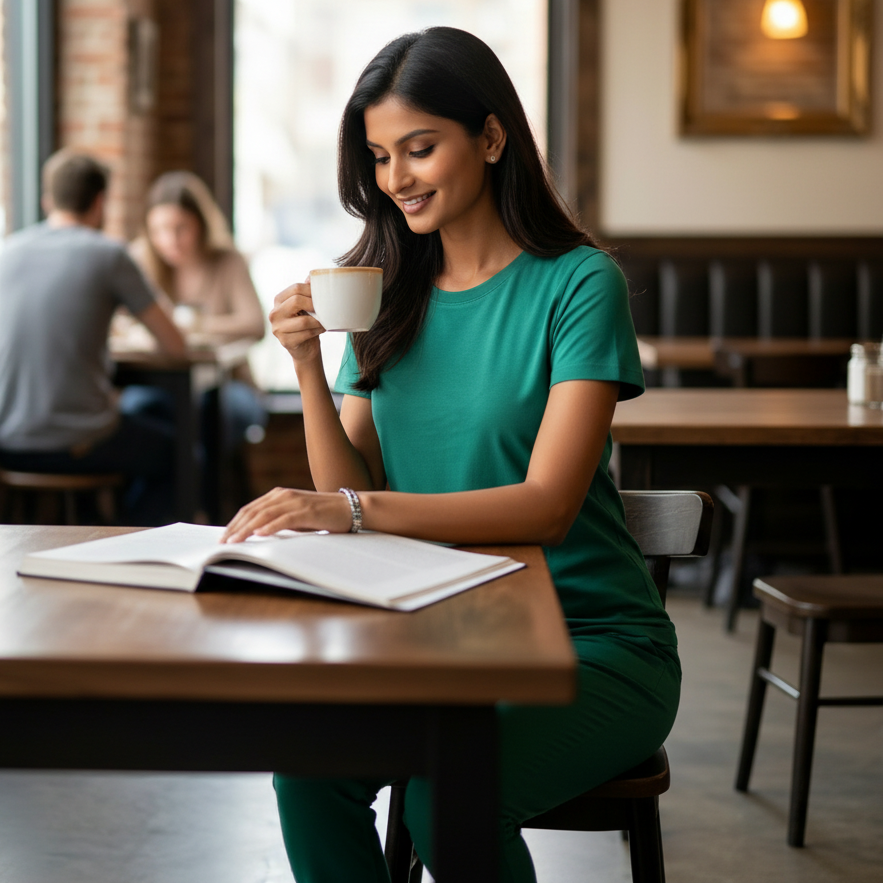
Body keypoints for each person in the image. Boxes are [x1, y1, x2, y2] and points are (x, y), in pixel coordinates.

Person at [222, 27, 681, 884]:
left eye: (420, 148)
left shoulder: (579, 285)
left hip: (590, 642)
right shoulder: (383, 290)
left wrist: (352, 511)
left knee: (446, 794)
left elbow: (545, 505)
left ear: (493, 137)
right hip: (433, 639)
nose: (396, 178)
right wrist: (306, 370)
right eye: (380, 156)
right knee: (307, 770)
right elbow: (347, 489)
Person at [0, 149, 186, 526]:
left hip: (7, 442)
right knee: (180, 455)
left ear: (48, 200)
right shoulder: (109, 254)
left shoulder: (7, 251)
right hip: (77, 444)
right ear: (101, 202)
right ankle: (121, 538)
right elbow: (175, 346)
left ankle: (88, 525)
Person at [129, 171, 268, 520]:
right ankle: (158, 518)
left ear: (201, 224)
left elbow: (254, 324)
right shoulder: (141, 261)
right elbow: (120, 323)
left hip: (229, 386)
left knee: (207, 418)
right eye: (159, 230)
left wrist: (191, 326)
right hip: (165, 391)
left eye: (180, 228)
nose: (170, 240)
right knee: (137, 414)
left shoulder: (226, 261)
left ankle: (198, 517)